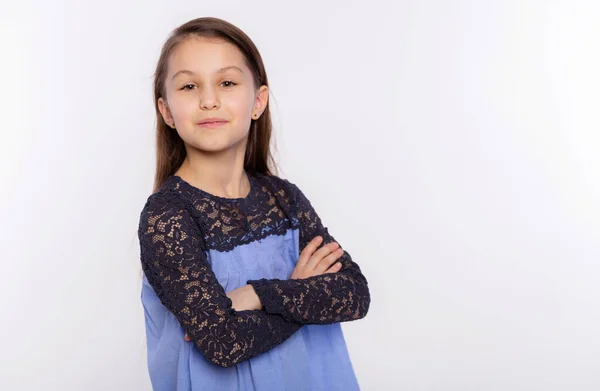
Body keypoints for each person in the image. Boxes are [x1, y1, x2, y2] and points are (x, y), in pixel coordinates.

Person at [137, 16, 371, 391]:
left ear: (258, 101)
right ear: (166, 111)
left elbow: (354, 294)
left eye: (227, 83)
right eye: (189, 86)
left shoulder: (285, 199)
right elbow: (223, 342)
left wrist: (257, 295)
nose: (209, 100)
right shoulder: (168, 215)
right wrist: (299, 292)